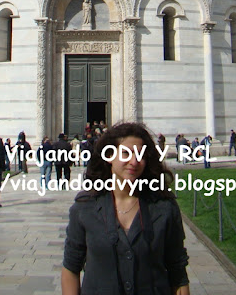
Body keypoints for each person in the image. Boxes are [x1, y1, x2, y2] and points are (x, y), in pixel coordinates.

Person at [61, 122, 190, 295]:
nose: (134, 161)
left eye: (140, 155)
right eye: (126, 153)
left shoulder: (164, 207)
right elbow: (71, 267)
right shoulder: (85, 208)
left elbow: (177, 270)